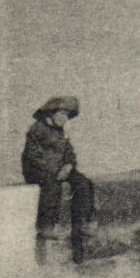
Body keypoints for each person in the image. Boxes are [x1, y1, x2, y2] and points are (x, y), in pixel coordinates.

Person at [21, 96, 94, 253]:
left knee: (83, 182)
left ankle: (83, 221)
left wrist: (68, 165)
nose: (64, 118)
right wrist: (55, 170)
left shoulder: (61, 133)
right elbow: (33, 156)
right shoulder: (37, 130)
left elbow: (69, 152)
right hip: (39, 171)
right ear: (51, 114)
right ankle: (46, 225)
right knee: (51, 186)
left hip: (60, 170)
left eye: (67, 115)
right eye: (61, 114)